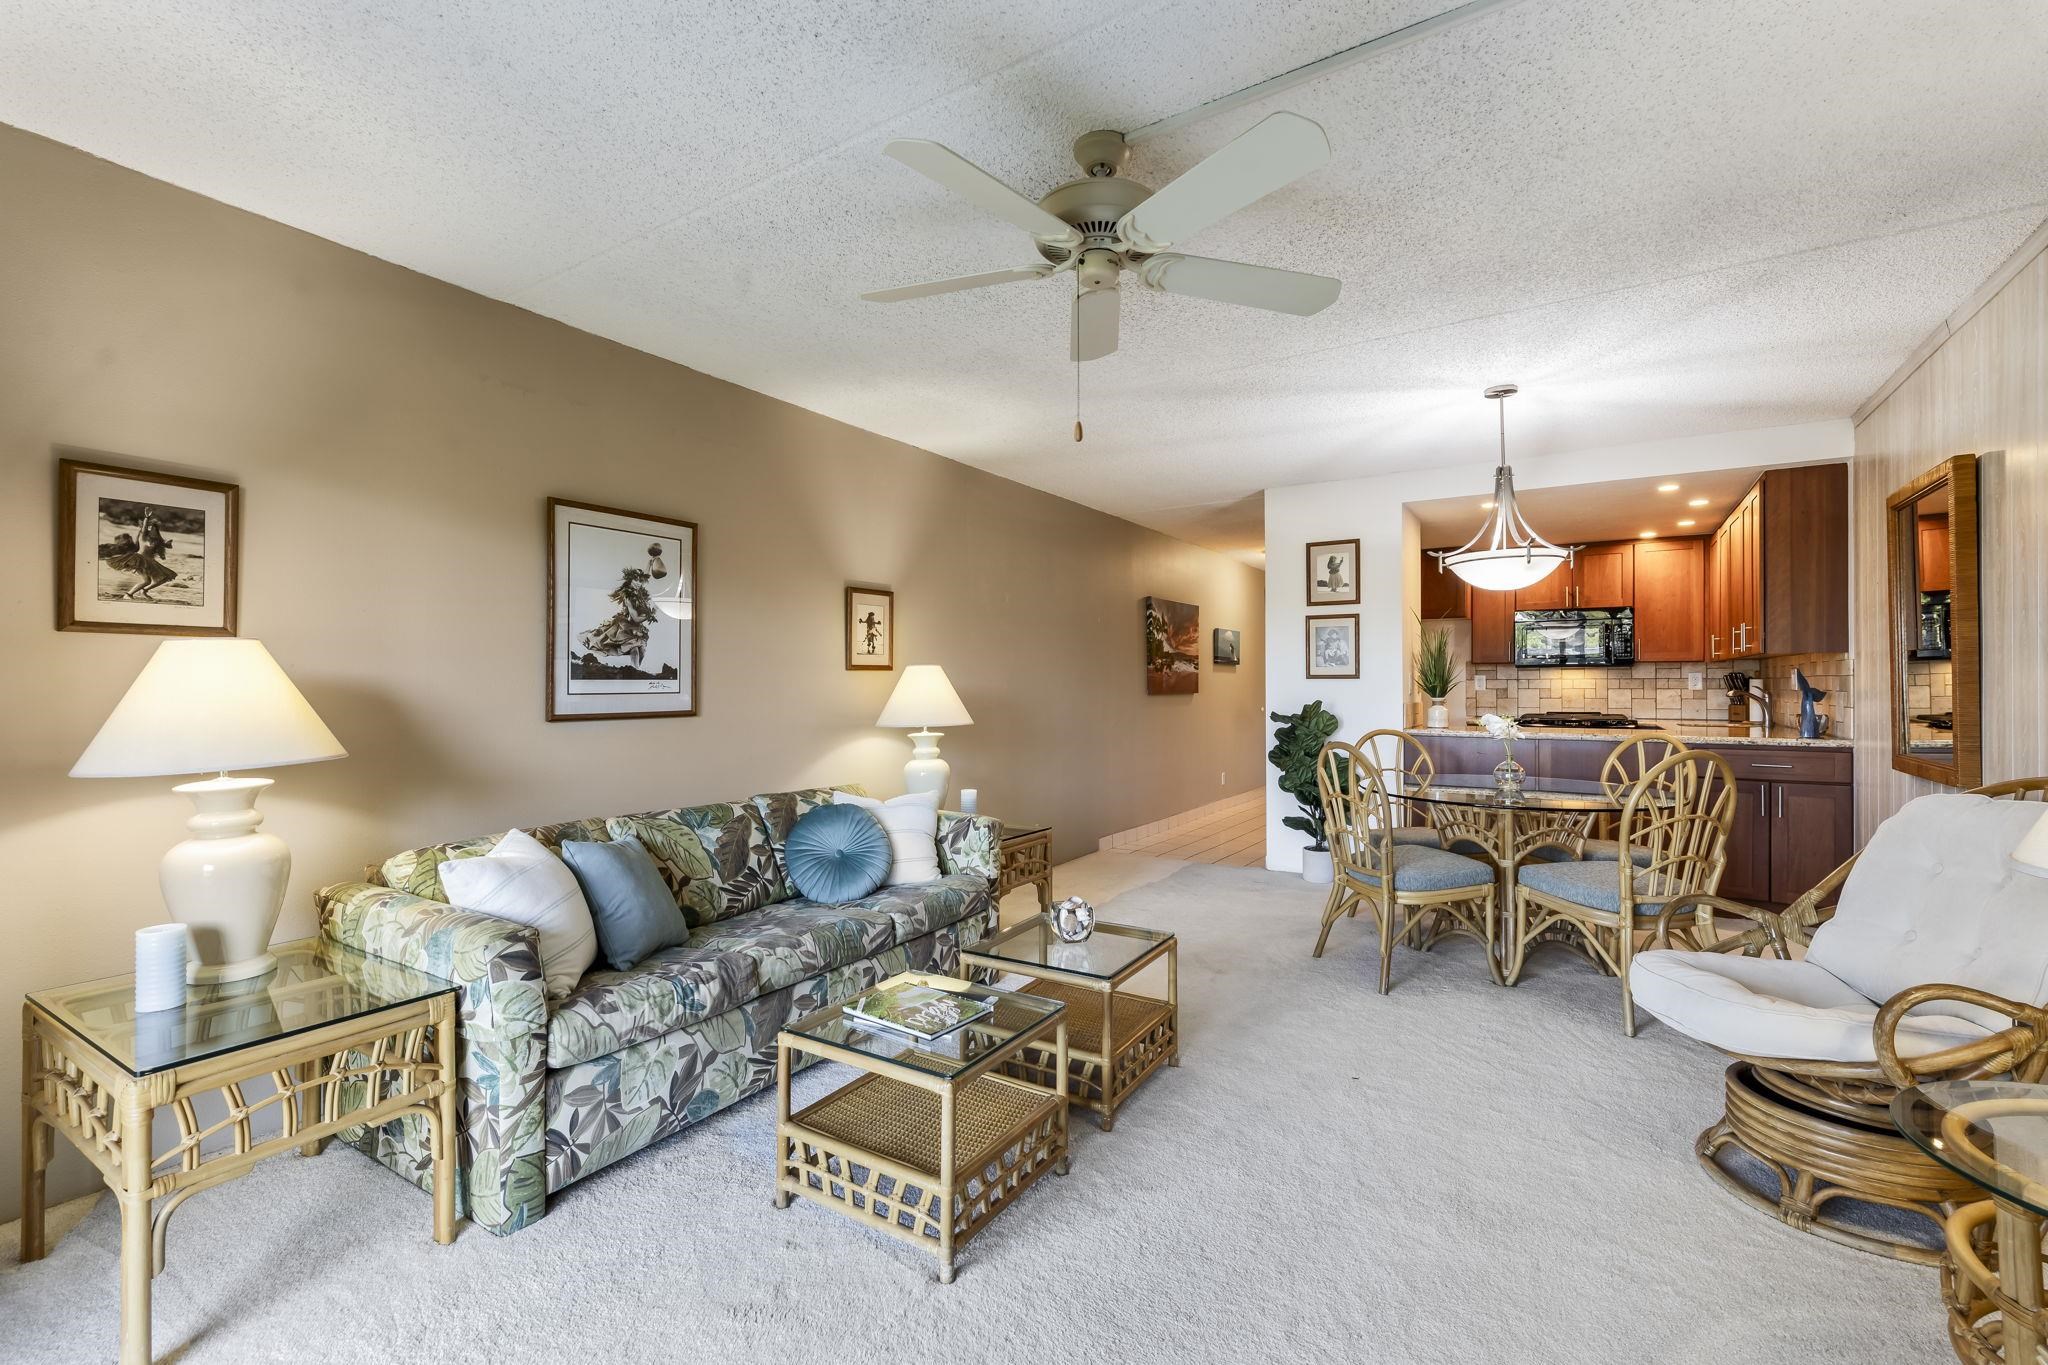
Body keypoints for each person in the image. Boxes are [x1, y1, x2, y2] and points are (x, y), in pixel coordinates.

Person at [100, 507, 180, 599]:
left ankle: (144, 591)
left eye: (153, 529)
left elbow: (167, 547)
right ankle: (129, 594)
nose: (150, 530)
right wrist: (146, 517)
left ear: (156, 531)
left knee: (165, 577)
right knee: (147, 581)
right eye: (149, 529)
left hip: (150, 562)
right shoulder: (143, 537)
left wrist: (167, 544)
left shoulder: (157, 541)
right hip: (139, 560)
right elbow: (144, 528)